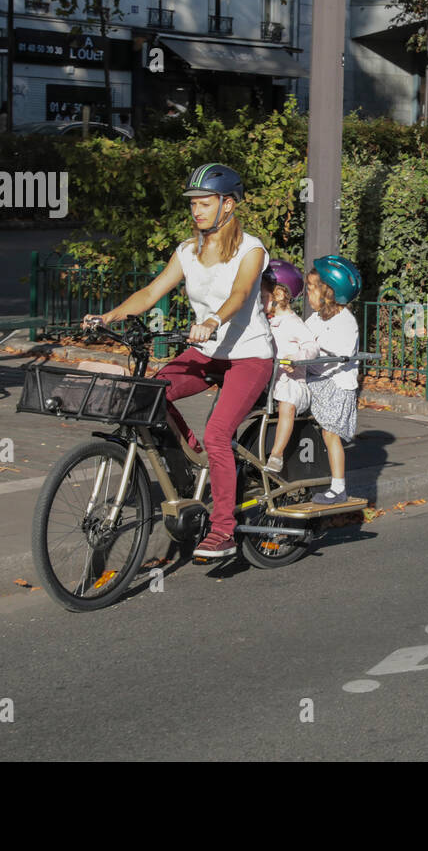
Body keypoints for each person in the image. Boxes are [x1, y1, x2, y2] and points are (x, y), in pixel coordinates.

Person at [84, 163, 275, 559]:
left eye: (205, 203)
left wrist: (211, 321)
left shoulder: (251, 249)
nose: (197, 211)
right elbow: (151, 292)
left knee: (219, 433)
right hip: (206, 354)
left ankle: (223, 530)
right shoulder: (188, 251)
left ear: (228, 205)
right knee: (151, 395)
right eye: (193, 204)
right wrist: (107, 318)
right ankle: (192, 462)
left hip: (248, 355)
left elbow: (240, 294)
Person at [303, 255, 362, 505]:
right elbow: (302, 335)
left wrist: (313, 345)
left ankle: (339, 488)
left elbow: (339, 353)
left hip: (337, 386)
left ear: (326, 292)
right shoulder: (316, 318)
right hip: (316, 379)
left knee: (330, 433)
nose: (307, 295)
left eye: (310, 289)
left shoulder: (346, 321)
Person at [261, 259, 319, 475]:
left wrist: (297, 358)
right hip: (271, 382)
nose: (259, 301)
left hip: (292, 383)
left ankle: (277, 454)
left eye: (263, 297)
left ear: (278, 296)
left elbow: (312, 346)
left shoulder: (294, 323)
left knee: (287, 405)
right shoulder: (266, 321)